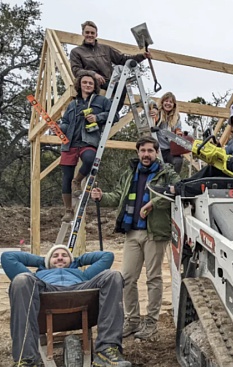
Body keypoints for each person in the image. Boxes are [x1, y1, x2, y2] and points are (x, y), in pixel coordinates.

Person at [0, 245, 130, 367]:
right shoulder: (38, 276)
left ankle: (107, 350)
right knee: (21, 280)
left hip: (80, 293)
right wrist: (43, 261)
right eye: (55, 256)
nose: (60, 258)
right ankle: (27, 363)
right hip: (47, 292)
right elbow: (8, 257)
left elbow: (107, 256)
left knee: (113, 275)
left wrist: (77, 261)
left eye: (64, 255)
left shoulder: (84, 274)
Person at [91, 136, 179, 340]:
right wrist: (102, 197)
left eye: (150, 151)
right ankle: (132, 320)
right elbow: (118, 196)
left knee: (153, 278)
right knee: (127, 278)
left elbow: (176, 192)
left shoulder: (167, 173)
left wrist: (153, 203)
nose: (146, 154)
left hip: (155, 232)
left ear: (156, 153)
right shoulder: (130, 173)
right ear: (137, 152)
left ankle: (151, 322)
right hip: (132, 231)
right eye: (143, 151)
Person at [153, 101, 233, 197]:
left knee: (211, 182)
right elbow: (224, 158)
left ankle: (178, 190)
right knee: (212, 169)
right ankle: (177, 187)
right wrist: (212, 154)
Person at [59, 74, 113, 221]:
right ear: (80, 85)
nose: (88, 85)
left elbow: (114, 115)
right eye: (85, 82)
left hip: (88, 140)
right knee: (66, 176)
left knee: (90, 159)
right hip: (70, 143)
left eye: (90, 83)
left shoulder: (102, 101)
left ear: (94, 86)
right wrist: (59, 128)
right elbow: (65, 122)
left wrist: (97, 117)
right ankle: (68, 210)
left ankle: (77, 181)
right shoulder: (72, 104)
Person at [70, 20, 151, 110]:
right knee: (91, 107)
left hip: (108, 82)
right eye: (87, 32)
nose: (90, 35)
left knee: (121, 88)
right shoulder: (76, 52)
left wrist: (142, 56)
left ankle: (113, 113)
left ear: (96, 34)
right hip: (89, 83)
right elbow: (76, 70)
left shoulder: (105, 49)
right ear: (83, 33)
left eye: (92, 33)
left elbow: (123, 59)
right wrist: (93, 75)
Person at [149, 92, 188, 173]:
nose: (168, 103)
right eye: (166, 101)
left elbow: (178, 131)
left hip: (169, 150)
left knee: (178, 161)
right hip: (156, 149)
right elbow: (147, 101)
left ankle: (173, 180)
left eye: (171, 102)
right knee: (155, 169)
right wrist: (154, 109)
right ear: (162, 102)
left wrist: (179, 136)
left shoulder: (176, 118)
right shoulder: (157, 113)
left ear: (174, 105)